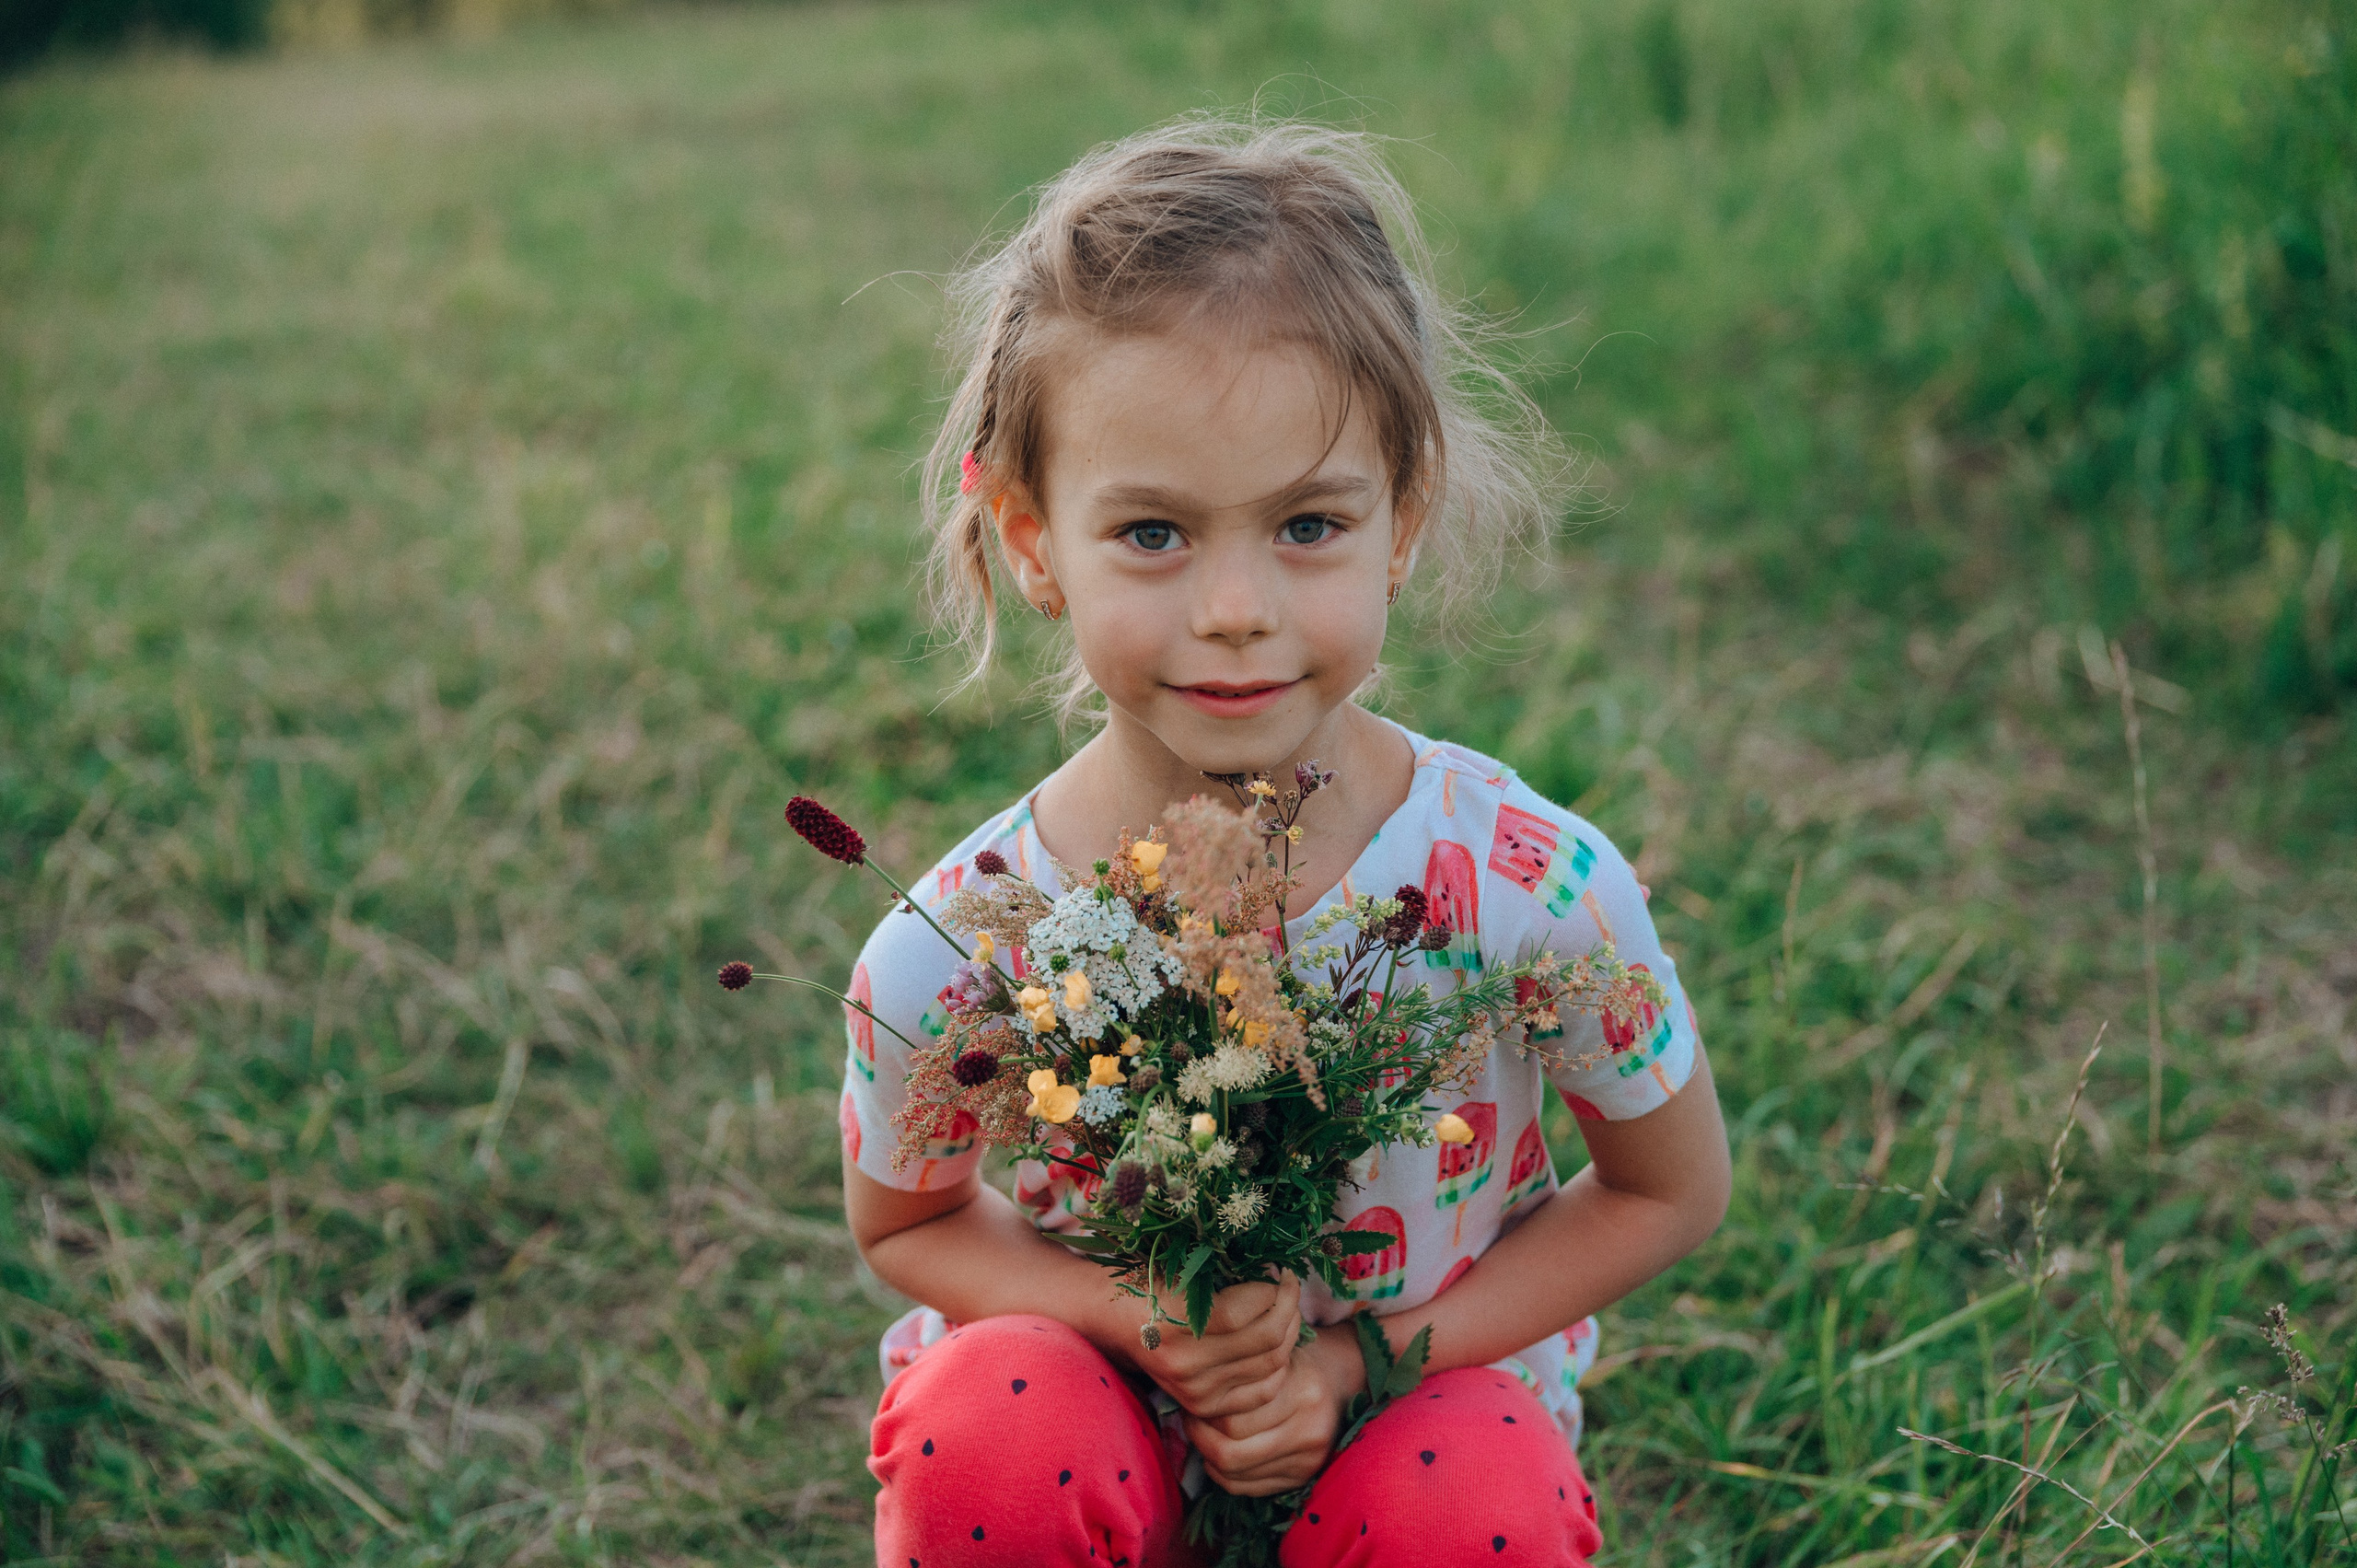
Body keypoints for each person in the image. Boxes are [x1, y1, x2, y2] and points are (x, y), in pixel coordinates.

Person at [840, 117, 1732, 1567]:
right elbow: (905, 1224)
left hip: (1408, 1444)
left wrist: (1358, 1362)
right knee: (988, 1425)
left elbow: (1667, 1188)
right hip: (1101, 1447)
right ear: (1029, 536)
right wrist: (1142, 1320)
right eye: (1154, 534)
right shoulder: (959, 945)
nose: (1237, 609)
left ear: (1404, 517)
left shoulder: (1529, 891)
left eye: (1309, 524)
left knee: (1474, 1498)